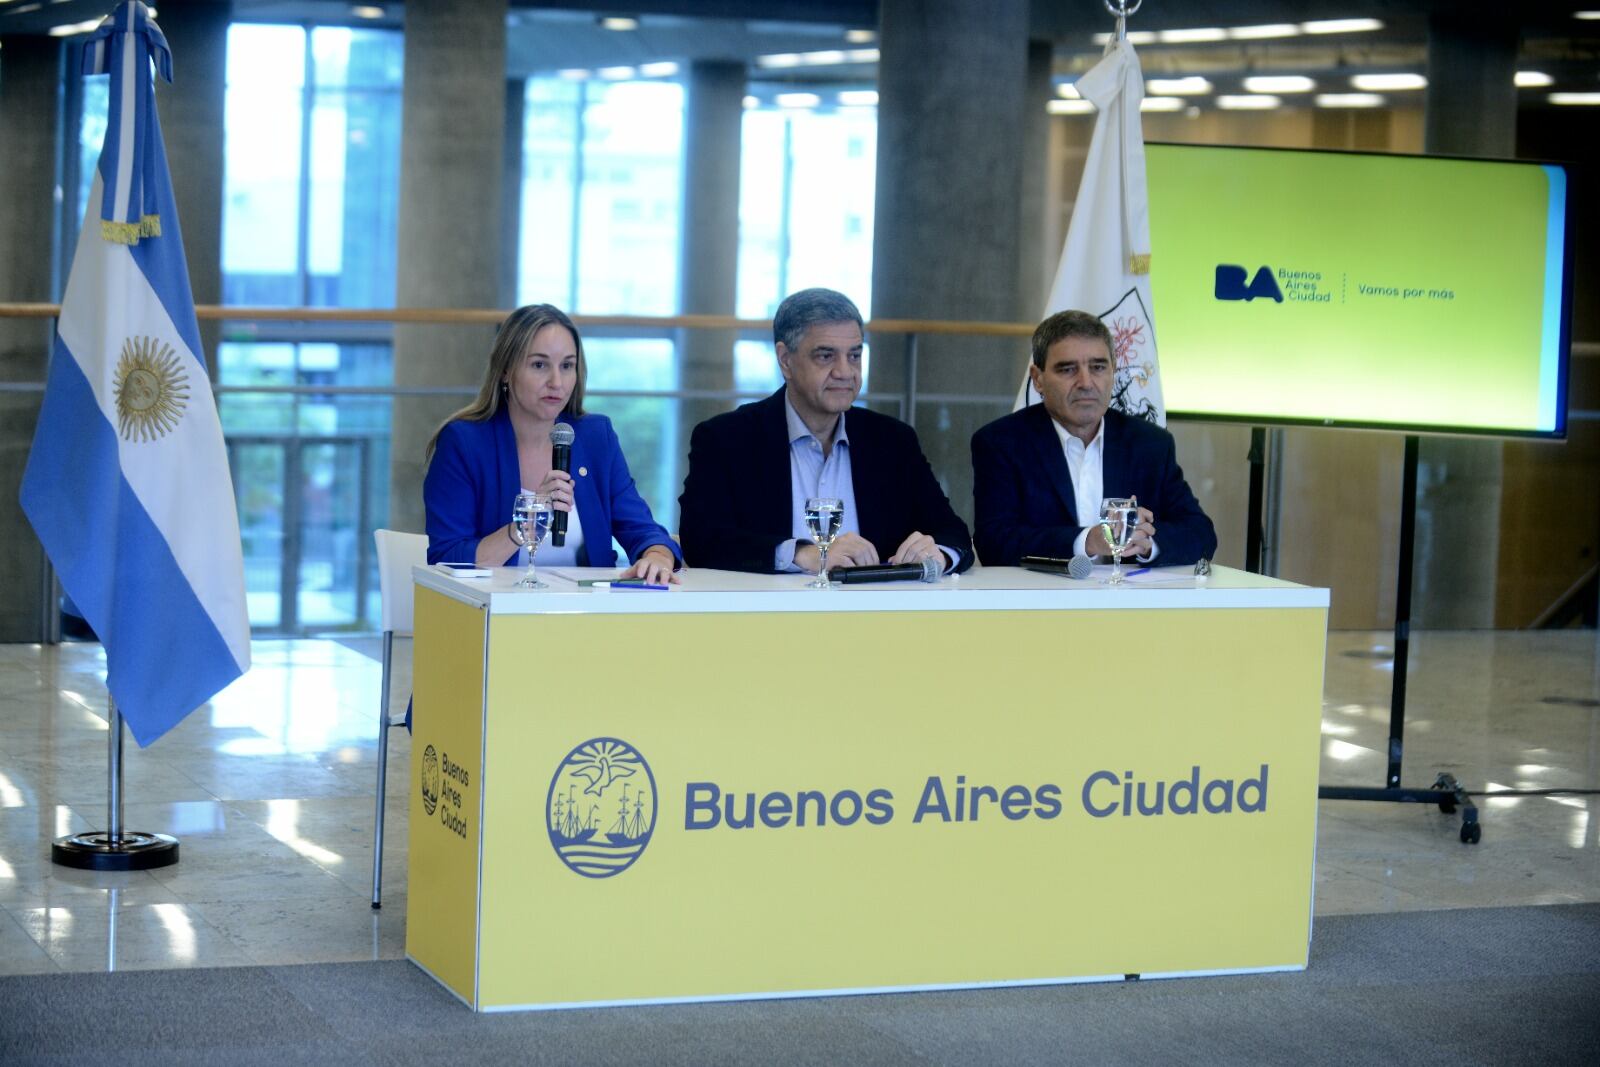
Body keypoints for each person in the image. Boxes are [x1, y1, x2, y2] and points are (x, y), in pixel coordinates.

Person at [678, 287, 973, 575]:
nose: (845, 372)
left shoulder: (893, 441)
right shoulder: (726, 439)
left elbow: (952, 533)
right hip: (769, 614)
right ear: (785, 360)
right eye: (826, 356)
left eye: (855, 355)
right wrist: (804, 553)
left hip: (878, 614)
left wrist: (938, 554)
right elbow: (702, 539)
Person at [424, 303, 680, 584]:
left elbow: (642, 530)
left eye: (567, 366)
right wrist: (526, 522)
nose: (556, 382)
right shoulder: (465, 443)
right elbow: (447, 557)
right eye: (539, 365)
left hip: (587, 616)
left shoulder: (596, 437)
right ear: (506, 370)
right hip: (497, 615)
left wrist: (658, 556)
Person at [971, 309, 1216, 568]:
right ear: (1038, 379)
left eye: (1098, 367)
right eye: (1067, 369)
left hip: (1130, 602)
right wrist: (1087, 541)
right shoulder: (1001, 443)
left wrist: (1147, 543)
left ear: (1113, 372)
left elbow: (1200, 533)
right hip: (1041, 602)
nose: (1086, 382)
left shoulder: (1150, 444)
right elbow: (993, 543)